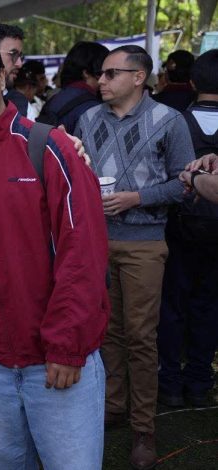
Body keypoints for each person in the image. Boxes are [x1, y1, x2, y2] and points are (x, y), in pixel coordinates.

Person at [0, 32, 109, 469]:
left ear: (2, 75)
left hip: (55, 363)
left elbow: (82, 254)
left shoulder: (51, 148)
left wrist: (67, 347)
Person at [75, 45, 194, 470]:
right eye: (100, 75)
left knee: (142, 336)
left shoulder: (170, 121)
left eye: (110, 74)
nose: (100, 81)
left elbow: (185, 184)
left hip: (145, 242)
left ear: (139, 77)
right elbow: (75, 174)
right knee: (105, 331)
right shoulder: (88, 119)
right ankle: (113, 406)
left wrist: (136, 198)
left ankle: (144, 427)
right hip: (95, 242)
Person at [159, 48, 218, 408]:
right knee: (210, 304)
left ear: (193, 82)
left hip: (178, 226)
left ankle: (168, 382)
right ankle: (199, 381)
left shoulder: (174, 120)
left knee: (173, 303)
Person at [37, 41, 109, 134]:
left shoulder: (53, 100)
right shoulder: (92, 108)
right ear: (86, 73)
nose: (106, 78)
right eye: (103, 72)